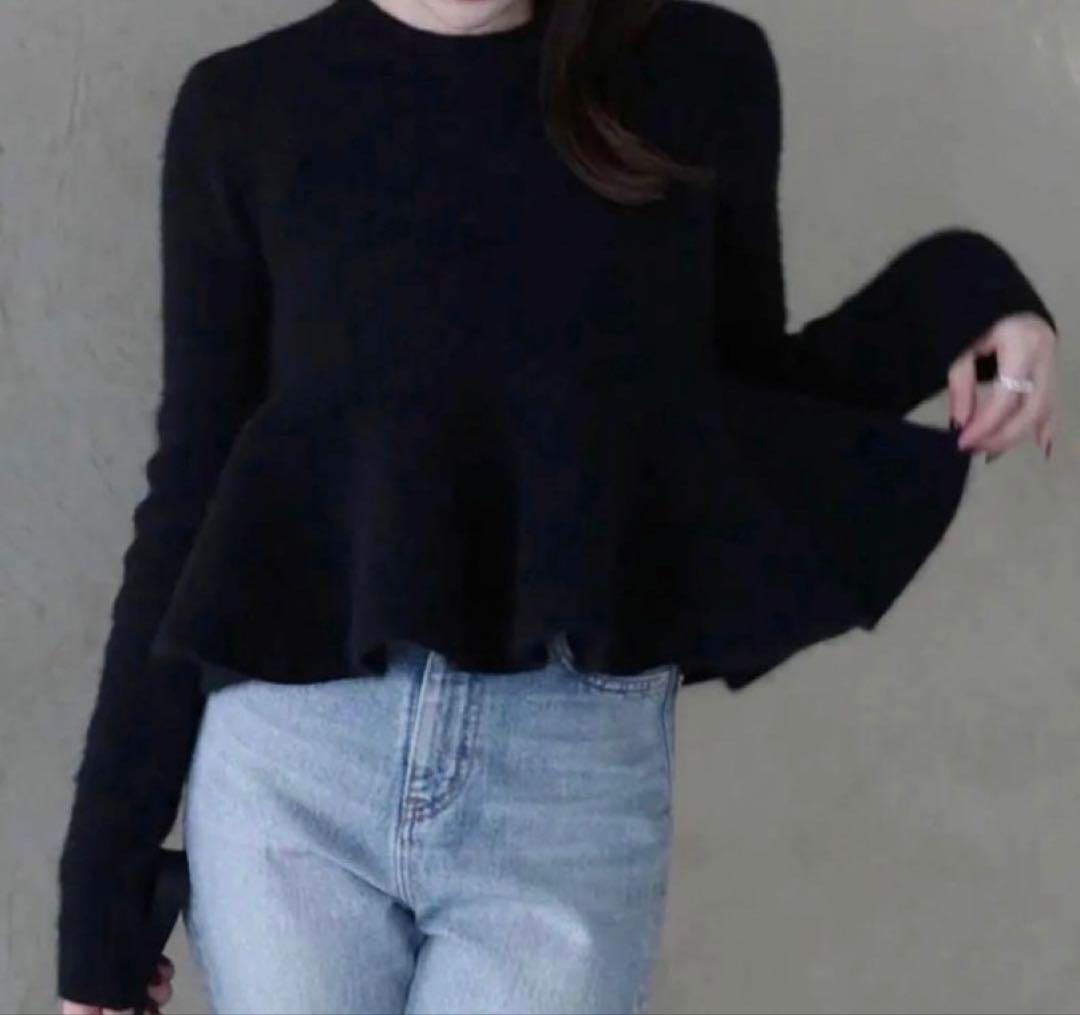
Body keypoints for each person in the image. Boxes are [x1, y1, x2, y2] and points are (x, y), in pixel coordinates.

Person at [57, 0, 1061, 1012]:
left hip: (565, 781)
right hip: (293, 776)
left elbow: (735, 420)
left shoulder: (696, 72)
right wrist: (101, 891)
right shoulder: (246, 109)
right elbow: (189, 498)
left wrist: (961, 289)